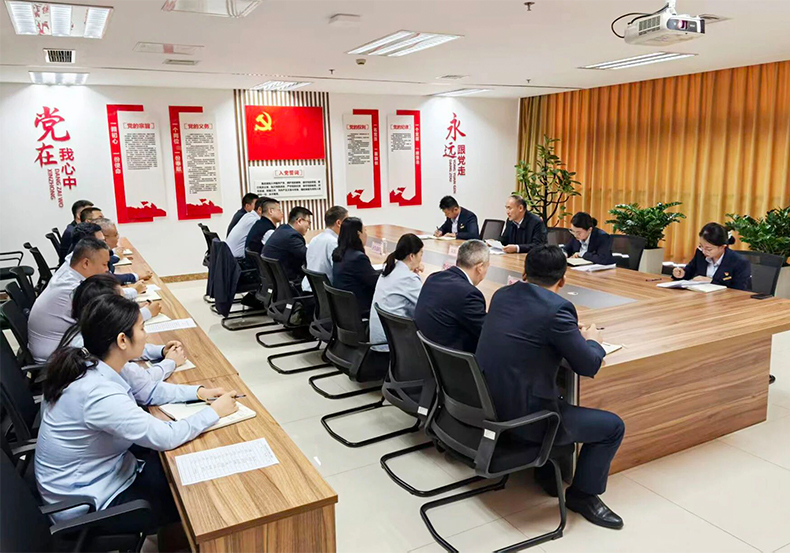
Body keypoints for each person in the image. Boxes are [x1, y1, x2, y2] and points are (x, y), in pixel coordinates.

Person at [34, 293, 237, 544]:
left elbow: (148, 391)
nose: (146, 335)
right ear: (122, 340)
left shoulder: (93, 362)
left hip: (99, 474)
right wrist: (214, 412)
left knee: (178, 468)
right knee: (195, 497)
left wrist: (198, 393)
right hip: (88, 505)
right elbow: (165, 437)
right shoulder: (97, 393)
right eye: (141, 328)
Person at [476, 245, 625, 530]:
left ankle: (546, 470)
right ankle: (582, 496)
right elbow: (588, 366)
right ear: (563, 280)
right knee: (612, 427)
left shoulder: (502, 295)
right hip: (528, 420)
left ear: (524, 273)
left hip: (487, 403)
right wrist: (591, 341)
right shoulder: (558, 309)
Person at [58, 274, 187, 404]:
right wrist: (171, 362)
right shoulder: (102, 364)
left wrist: (161, 351)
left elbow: (127, 347)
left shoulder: (85, 333)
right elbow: (143, 386)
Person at [28, 237, 111, 363]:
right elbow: (108, 316)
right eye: (104, 264)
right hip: (54, 360)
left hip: (58, 345)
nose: (107, 269)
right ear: (86, 263)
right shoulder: (72, 289)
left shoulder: (69, 270)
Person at [414, 239, 489, 353]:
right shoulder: (469, 295)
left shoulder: (434, 278)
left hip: (423, 353)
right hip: (450, 359)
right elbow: (487, 334)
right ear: (480, 267)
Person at [368, 234, 424, 352]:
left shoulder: (389, 269)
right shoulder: (408, 278)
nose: (421, 259)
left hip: (378, 340)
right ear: (412, 256)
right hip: (393, 345)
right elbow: (425, 308)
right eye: (421, 254)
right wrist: (417, 277)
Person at [672, 222, 752, 291]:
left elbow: (738, 291)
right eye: (701, 246)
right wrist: (681, 273)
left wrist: (711, 281)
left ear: (722, 247)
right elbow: (689, 271)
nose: (703, 251)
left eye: (708, 249)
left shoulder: (739, 263)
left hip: (725, 301)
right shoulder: (700, 254)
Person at [332, 217, 379, 314]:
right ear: (358, 234)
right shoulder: (358, 258)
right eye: (365, 231)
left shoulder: (338, 253)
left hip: (344, 309)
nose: (366, 235)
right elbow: (375, 282)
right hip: (361, 309)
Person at [262, 206, 313, 287]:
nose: (309, 226)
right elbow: (308, 256)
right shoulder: (292, 236)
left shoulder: (282, 229)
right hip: (288, 282)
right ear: (299, 221)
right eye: (308, 222)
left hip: (274, 280)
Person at [302, 205, 348, 292]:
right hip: (323, 292)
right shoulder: (334, 242)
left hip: (309, 288)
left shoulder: (315, 239)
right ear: (339, 223)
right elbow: (340, 272)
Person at [95, 218, 153, 285]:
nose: (118, 237)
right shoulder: (95, 256)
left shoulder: (104, 253)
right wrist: (136, 276)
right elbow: (109, 278)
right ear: (104, 238)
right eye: (115, 235)